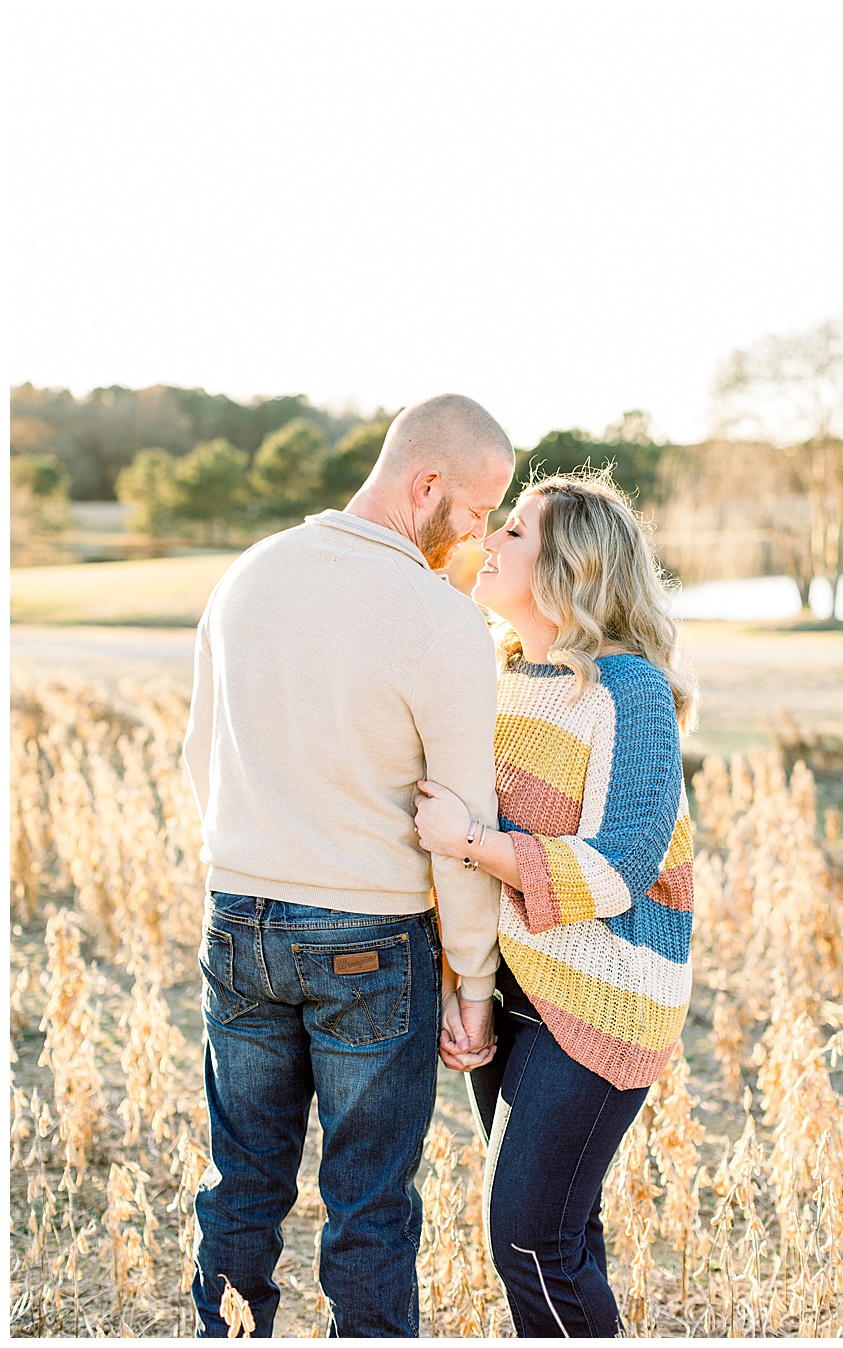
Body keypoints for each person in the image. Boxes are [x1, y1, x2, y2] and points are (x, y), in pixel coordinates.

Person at [184, 394, 517, 1336]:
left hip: (237, 915)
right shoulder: (439, 621)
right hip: (370, 938)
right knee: (369, 1206)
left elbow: (199, 757)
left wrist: (251, 859)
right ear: (427, 485)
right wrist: (474, 984)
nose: (481, 534)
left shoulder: (247, 576)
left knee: (241, 1179)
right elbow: (460, 824)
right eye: (480, 508)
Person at [412, 470, 697, 1338]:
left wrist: (468, 841)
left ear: (569, 568)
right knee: (563, 1232)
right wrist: (467, 988)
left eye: (517, 532)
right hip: (513, 989)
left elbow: (620, 866)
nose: (490, 540)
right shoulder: (493, 676)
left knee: (529, 1238)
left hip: (606, 992)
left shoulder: (630, 692)